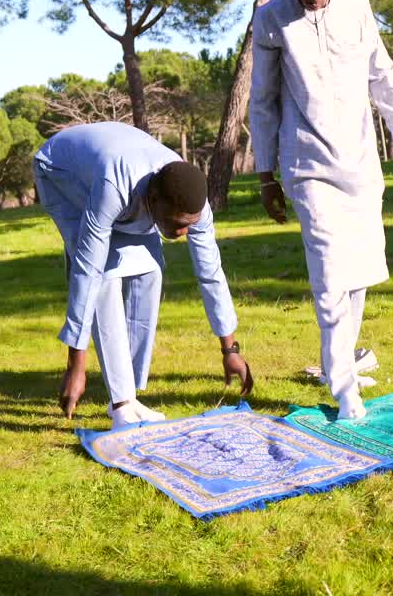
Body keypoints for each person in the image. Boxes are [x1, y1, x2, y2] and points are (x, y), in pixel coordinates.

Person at [248, 0, 393, 420]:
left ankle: (338, 361)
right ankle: (344, 388)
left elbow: (382, 73)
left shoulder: (358, 4)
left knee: (359, 270)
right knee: (328, 271)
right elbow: (262, 101)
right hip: (306, 164)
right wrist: (265, 173)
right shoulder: (271, 18)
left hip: (361, 160)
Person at [33, 122, 253, 428]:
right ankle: (121, 403)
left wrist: (229, 349)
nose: (183, 232)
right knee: (105, 278)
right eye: (177, 224)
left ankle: (129, 396)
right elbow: (87, 268)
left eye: (189, 224)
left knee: (150, 272)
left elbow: (210, 271)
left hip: (124, 177)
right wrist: (76, 365)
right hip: (61, 173)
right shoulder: (115, 187)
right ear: (153, 202)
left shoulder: (194, 207)